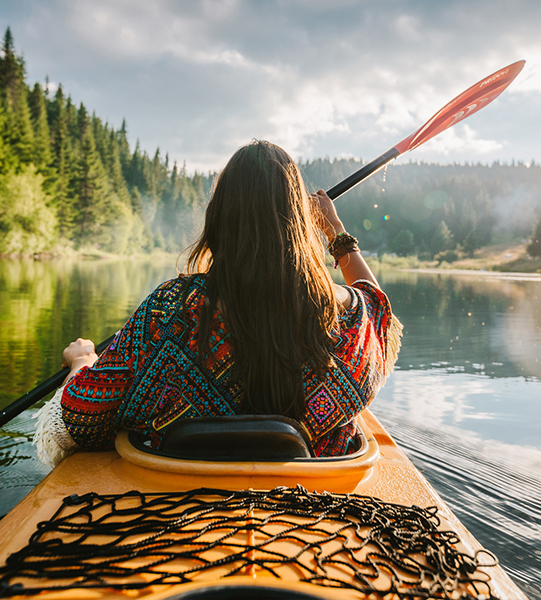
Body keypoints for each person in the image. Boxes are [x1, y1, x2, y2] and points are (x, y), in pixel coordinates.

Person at [34, 140, 401, 467]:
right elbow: (378, 309)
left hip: (179, 496)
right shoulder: (348, 317)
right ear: (301, 223)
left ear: (219, 218)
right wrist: (336, 232)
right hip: (311, 497)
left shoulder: (168, 309)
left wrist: (82, 361)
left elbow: (81, 417)